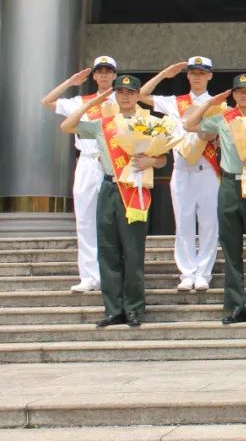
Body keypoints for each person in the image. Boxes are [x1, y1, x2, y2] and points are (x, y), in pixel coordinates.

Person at [60, 74, 164, 328]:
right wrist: (94, 102)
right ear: (115, 95)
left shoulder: (150, 122)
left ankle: (134, 308)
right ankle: (113, 309)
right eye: (120, 93)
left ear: (138, 95)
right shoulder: (102, 124)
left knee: (133, 251)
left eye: (130, 93)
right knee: (108, 250)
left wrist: (151, 161)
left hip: (135, 189)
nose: (125, 97)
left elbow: (162, 159)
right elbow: (67, 126)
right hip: (108, 187)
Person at [184, 74, 246, 325]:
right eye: (239, 91)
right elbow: (189, 125)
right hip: (229, 185)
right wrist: (210, 103)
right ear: (233, 94)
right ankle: (235, 305)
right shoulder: (223, 118)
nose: (244, 95)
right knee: (231, 249)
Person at [139, 56, 221, 292]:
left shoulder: (218, 104)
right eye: (193, 72)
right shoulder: (175, 102)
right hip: (182, 169)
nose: (197, 77)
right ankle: (187, 272)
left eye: (201, 73)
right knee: (183, 223)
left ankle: (203, 273)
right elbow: (142, 94)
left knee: (208, 224)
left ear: (210, 75)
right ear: (188, 75)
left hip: (207, 169)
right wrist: (164, 74)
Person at [41, 55, 118, 293]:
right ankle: (89, 277)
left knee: (113, 222)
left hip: (114, 163)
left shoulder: (123, 100)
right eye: (100, 71)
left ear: (115, 75)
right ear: (94, 76)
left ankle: (113, 274)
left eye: (108, 71)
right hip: (87, 162)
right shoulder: (80, 101)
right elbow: (47, 101)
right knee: (85, 221)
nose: (104, 75)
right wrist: (70, 82)